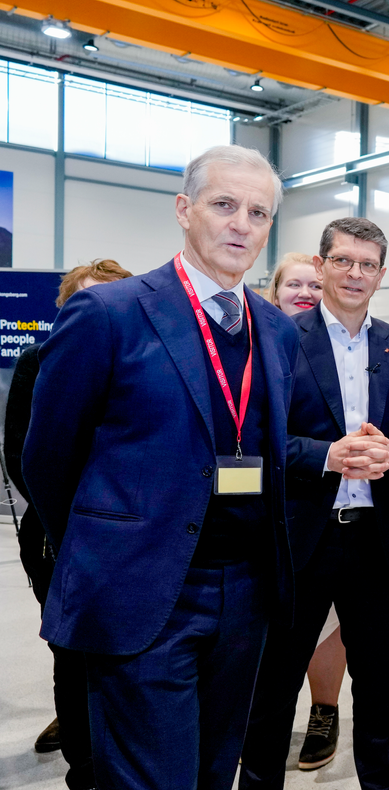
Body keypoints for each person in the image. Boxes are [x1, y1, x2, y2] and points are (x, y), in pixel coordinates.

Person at [22, 144, 301, 790]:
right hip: (143, 589)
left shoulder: (276, 330)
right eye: (224, 204)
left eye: (258, 213)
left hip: (244, 595)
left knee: (213, 773)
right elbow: (48, 458)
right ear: (184, 209)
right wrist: (104, 548)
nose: (241, 224)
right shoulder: (109, 314)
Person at [239, 216, 389, 790]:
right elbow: (253, 435)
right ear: (322, 265)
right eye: (343, 261)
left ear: (382, 274)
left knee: (377, 687)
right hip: (301, 537)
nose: (356, 273)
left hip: (376, 543)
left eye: (368, 265)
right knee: (275, 686)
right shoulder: (279, 339)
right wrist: (325, 456)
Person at [5, 259, 133, 790]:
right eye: (85, 300)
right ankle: (84, 763)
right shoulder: (38, 361)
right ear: (65, 309)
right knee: (72, 651)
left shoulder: (144, 362)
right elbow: (24, 458)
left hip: (134, 537)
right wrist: (82, 524)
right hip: (58, 538)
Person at [268, 249, 348, 770]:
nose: (305, 293)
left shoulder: (347, 348)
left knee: (330, 623)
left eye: (314, 286)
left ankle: (324, 711)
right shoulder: (261, 346)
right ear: (274, 293)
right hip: (271, 506)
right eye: (293, 285)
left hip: (330, 508)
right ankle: (261, 720)